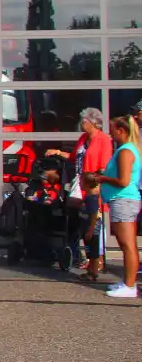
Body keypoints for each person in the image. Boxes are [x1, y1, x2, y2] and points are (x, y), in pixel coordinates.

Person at [46, 107, 113, 269]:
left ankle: (98, 258)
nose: (81, 124)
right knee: (76, 219)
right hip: (79, 184)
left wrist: (95, 181)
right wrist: (58, 152)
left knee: (93, 220)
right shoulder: (83, 138)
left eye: (83, 121)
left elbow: (105, 165)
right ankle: (78, 254)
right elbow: (74, 157)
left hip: (93, 184)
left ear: (93, 122)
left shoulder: (104, 140)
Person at [93, 116, 142, 298]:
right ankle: (126, 282)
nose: (110, 133)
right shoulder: (124, 150)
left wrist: (101, 179)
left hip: (124, 200)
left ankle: (130, 286)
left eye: (113, 129)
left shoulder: (126, 151)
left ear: (121, 130)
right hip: (121, 200)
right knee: (124, 244)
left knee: (128, 245)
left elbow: (123, 181)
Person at [77, 172, 104, 282]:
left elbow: (94, 215)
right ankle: (90, 271)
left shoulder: (91, 198)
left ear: (88, 184)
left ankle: (94, 273)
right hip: (87, 229)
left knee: (93, 253)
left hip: (92, 230)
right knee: (89, 251)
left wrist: (90, 230)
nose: (79, 183)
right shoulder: (88, 197)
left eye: (81, 182)